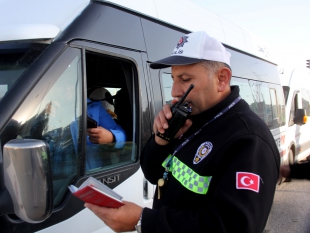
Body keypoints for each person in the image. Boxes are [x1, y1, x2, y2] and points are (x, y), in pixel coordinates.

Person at [84, 31, 280, 233]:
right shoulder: (191, 119)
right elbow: (154, 175)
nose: (175, 91)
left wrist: (144, 221)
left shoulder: (249, 139)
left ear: (221, 79)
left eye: (185, 79)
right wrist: (162, 140)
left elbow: (233, 226)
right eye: (173, 79)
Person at [70, 88, 126, 171]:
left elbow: (122, 134)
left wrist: (110, 136)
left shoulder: (94, 107)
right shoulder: (48, 106)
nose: (67, 88)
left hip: (90, 173)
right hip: (56, 174)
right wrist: (45, 117)